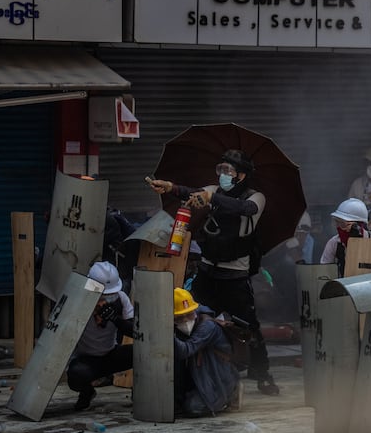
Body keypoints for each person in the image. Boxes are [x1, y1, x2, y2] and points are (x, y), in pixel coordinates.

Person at [148, 149, 279, 395]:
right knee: (191, 320)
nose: (223, 175)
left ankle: (262, 374)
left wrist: (209, 197)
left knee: (249, 326)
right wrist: (171, 187)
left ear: (241, 175)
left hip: (235, 275)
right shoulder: (214, 190)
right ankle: (190, 371)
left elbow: (243, 208)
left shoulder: (256, 197)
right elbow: (191, 192)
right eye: (221, 170)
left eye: (229, 171)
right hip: (208, 270)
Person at [67, 261, 134, 411]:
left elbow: (135, 331)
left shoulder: (121, 299)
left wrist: (116, 319)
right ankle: (87, 392)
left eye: (111, 295)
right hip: (86, 358)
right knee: (75, 375)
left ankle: (139, 393)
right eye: (104, 295)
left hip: (110, 353)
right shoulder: (79, 299)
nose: (107, 299)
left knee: (141, 353)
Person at [172, 288, 241, 417]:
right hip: (198, 374)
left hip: (217, 375)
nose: (186, 320)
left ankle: (231, 393)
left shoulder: (208, 327)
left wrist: (168, 332)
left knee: (194, 407)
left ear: (194, 310)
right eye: (180, 318)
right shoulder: (184, 325)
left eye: (189, 314)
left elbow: (186, 350)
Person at [320, 198, 371, 277]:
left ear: (358, 226)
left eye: (342, 224)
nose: (338, 227)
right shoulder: (334, 243)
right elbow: (324, 271)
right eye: (337, 222)